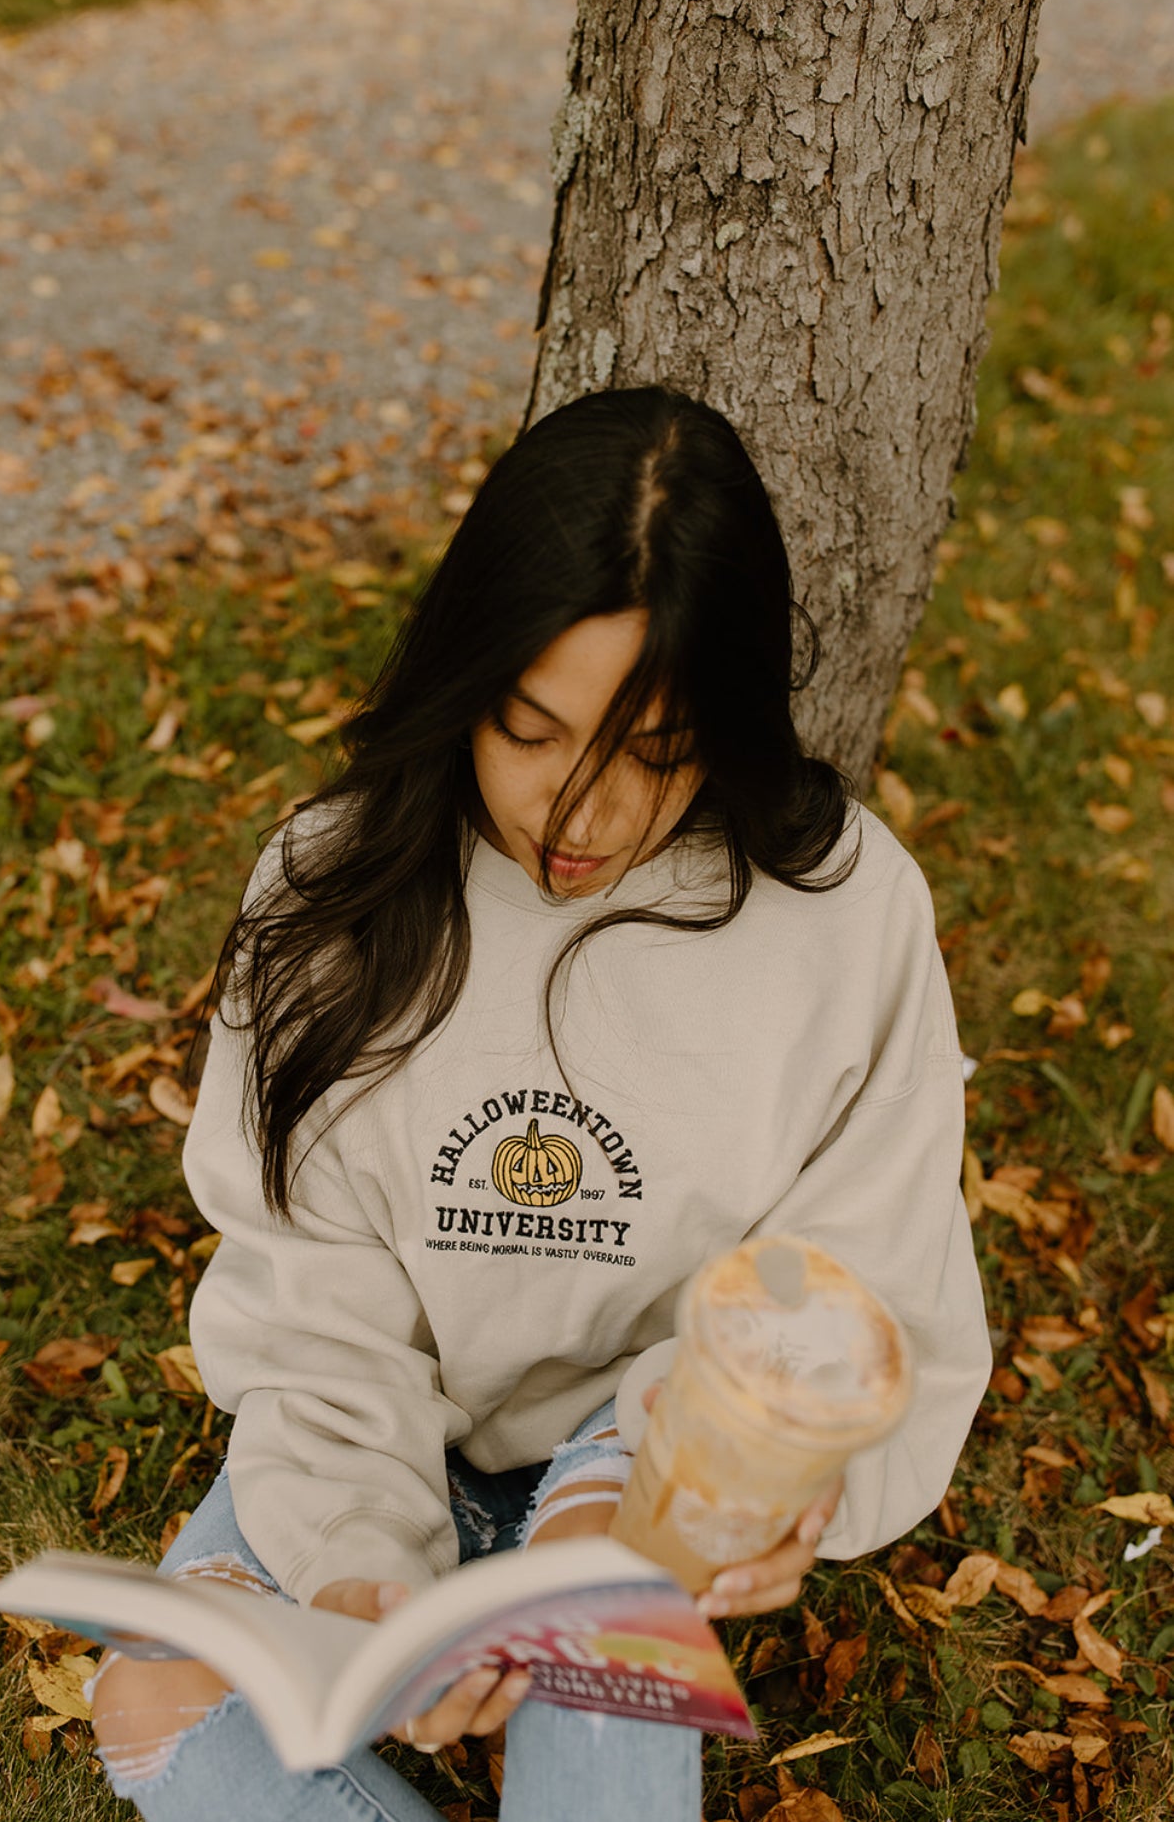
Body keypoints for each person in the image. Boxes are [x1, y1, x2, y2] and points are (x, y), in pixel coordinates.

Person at [89, 385, 991, 1820]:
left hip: (650, 1456)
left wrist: (716, 1494)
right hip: (401, 1430)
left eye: (655, 752)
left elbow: (857, 1279)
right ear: (466, 683)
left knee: (597, 1622)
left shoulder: (839, 907)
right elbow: (313, 1298)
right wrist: (362, 1570)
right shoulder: (333, 889)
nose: (581, 822)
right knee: (153, 1701)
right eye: (528, 730)